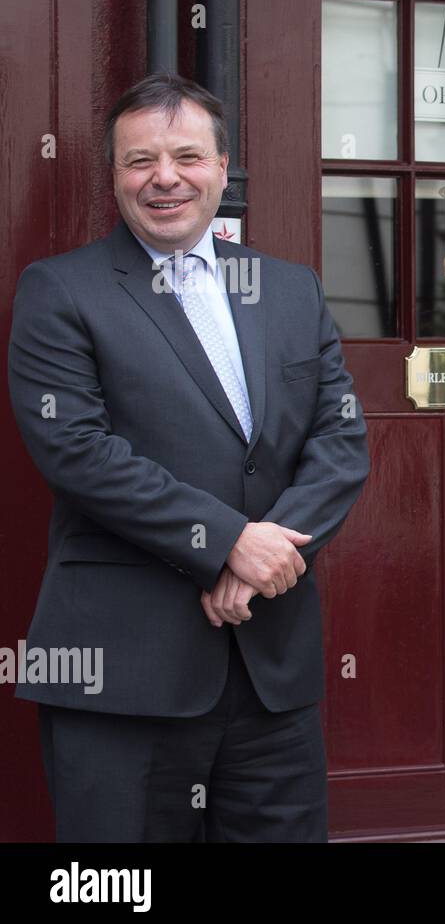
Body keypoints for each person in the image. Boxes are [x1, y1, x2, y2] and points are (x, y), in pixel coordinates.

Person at [7, 73, 370, 841]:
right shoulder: (59, 291)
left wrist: (264, 557)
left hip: (272, 670)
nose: (164, 177)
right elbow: (75, 449)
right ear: (113, 177)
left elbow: (340, 443)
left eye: (186, 156)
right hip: (121, 673)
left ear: (222, 166)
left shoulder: (291, 290)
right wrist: (228, 542)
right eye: (139, 161)